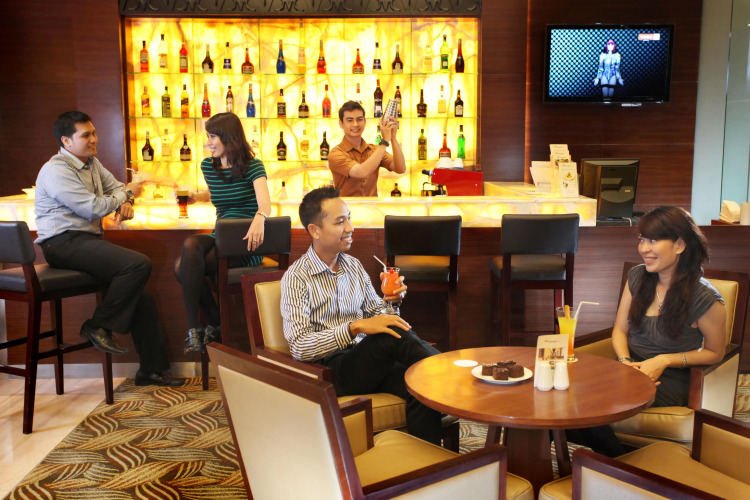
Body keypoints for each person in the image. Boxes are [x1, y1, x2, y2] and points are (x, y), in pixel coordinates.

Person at [280, 186, 442, 444]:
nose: (350, 227)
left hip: (367, 363)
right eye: (340, 222)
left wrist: (392, 302)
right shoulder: (296, 278)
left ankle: (428, 461)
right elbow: (299, 347)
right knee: (389, 337)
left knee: (420, 383)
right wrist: (354, 328)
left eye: (349, 218)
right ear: (315, 230)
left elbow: (379, 316)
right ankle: (450, 372)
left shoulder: (353, 266)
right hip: (330, 372)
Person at [35, 110, 180, 386]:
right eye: (86, 135)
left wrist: (127, 200)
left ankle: (150, 371)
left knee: (142, 297)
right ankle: (96, 325)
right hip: (62, 243)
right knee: (138, 264)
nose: (94, 139)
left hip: (85, 242)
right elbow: (92, 208)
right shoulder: (56, 170)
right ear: (66, 141)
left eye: (94, 133)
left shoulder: (92, 163)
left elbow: (117, 189)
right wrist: (128, 193)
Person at [569, 206, 726, 456]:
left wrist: (663, 360)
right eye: (642, 240)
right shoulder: (637, 276)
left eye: (653, 240)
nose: (644, 248)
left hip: (670, 378)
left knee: (591, 403)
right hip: (629, 368)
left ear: (679, 245)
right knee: (564, 393)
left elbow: (715, 352)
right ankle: (619, 459)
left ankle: (618, 465)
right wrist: (624, 362)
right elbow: (620, 331)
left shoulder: (705, 298)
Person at [174, 112, 271, 354]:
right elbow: (215, 194)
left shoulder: (253, 166)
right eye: (207, 136)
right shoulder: (208, 166)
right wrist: (196, 197)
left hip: (245, 240)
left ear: (229, 137)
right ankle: (197, 328)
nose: (208, 142)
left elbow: (265, 203)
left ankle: (210, 324)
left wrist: (260, 218)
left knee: (182, 267)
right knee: (190, 247)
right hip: (221, 235)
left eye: (213, 136)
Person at [328, 101, 406, 196]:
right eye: (350, 120)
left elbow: (400, 168)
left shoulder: (375, 150)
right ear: (341, 124)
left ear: (364, 122)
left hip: (373, 205)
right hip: (347, 205)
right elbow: (361, 172)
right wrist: (385, 141)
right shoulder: (336, 153)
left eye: (359, 119)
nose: (355, 124)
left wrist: (393, 137)